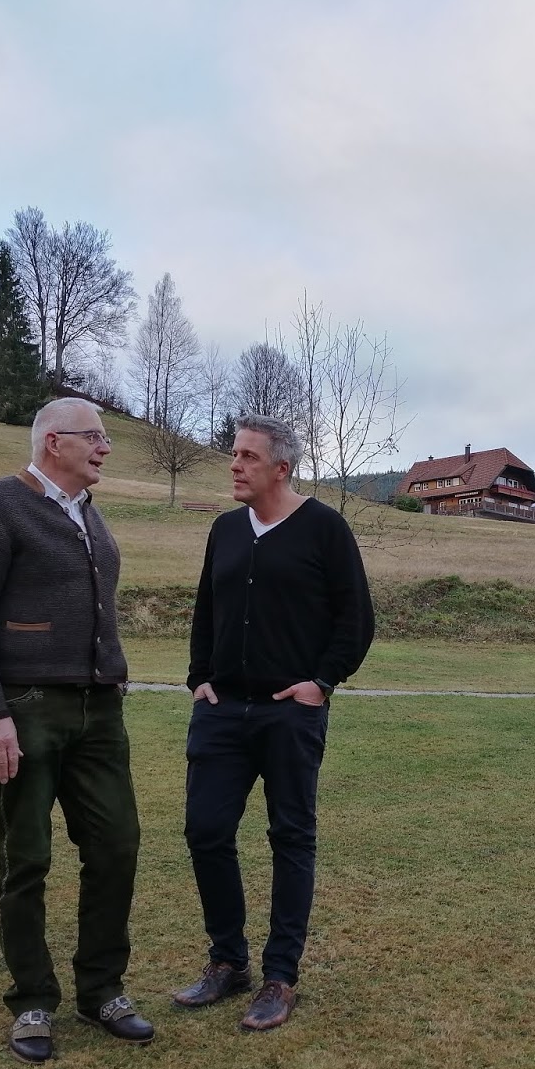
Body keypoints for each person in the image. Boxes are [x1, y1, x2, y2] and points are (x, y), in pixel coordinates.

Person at [0, 397, 152, 1062]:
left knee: (117, 846)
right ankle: (33, 999)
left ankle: (102, 990)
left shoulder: (88, 515)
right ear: (53, 442)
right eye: (95, 437)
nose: (105, 448)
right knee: (24, 858)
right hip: (25, 707)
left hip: (99, 710)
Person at [173, 414, 375, 1030]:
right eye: (233, 454)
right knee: (205, 831)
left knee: (290, 839)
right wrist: (198, 675)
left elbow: (356, 618)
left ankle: (280, 976)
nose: (234, 465)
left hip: (290, 714)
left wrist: (321, 682)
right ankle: (227, 963)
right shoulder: (226, 531)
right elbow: (207, 608)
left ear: (281, 468)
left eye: (247, 457)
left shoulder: (324, 530)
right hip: (222, 711)